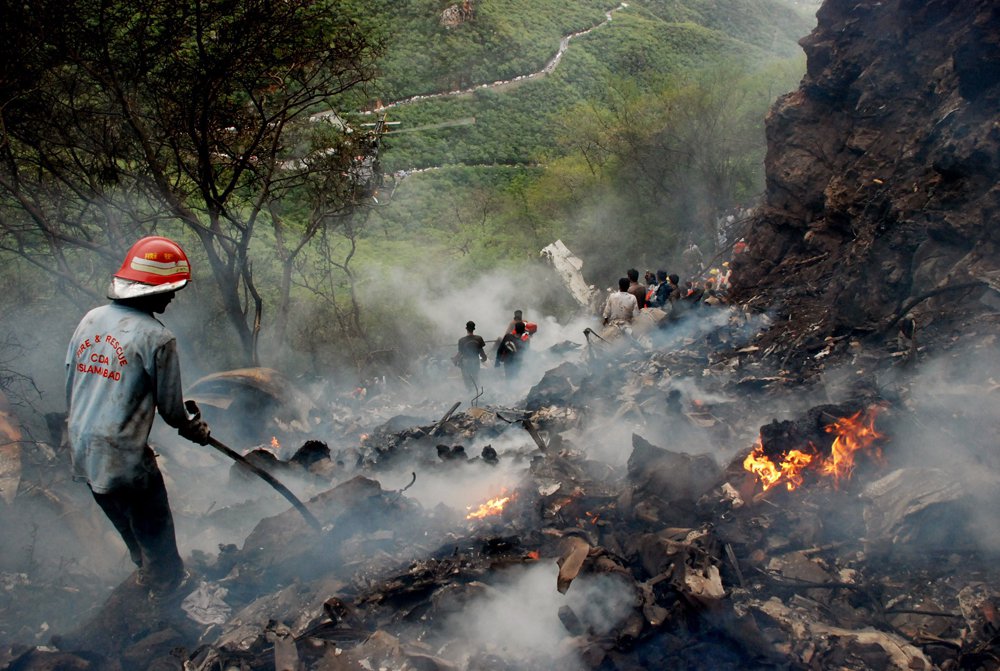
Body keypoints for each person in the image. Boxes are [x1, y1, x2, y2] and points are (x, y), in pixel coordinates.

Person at [65, 236, 211, 597]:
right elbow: (173, 410)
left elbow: (73, 377)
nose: (173, 297)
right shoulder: (158, 338)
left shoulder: (91, 319)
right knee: (159, 544)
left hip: (83, 448)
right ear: (150, 289)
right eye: (170, 288)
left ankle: (146, 583)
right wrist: (195, 428)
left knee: (133, 537)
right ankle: (171, 611)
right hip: (123, 458)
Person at [456, 321, 488, 391]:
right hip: (475, 361)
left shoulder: (461, 340)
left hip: (466, 362)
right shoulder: (479, 338)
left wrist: (455, 360)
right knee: (475, 378)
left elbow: (460, 353)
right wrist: (484, 358)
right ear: (474, 329)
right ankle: (476, 393)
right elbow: (481, 352)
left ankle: (469, 393)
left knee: (467, 379)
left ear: (466, 328)